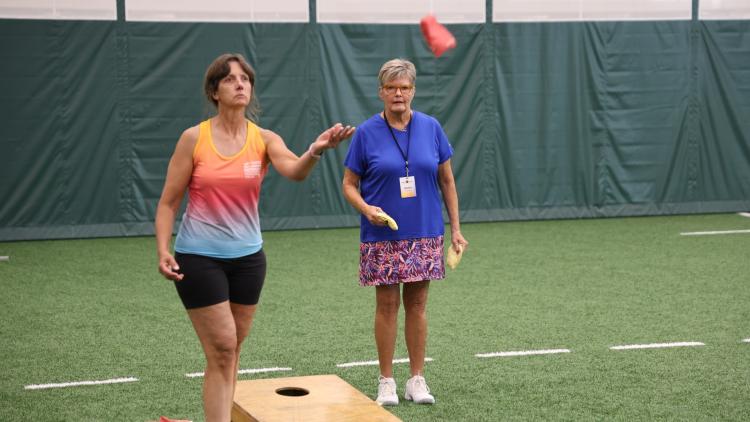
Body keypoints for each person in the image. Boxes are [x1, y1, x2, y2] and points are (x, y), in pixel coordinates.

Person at [155, 53, 354, 421]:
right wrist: (163, 249)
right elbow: (168, 203)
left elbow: (294, 170)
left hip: (249, 260)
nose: (240, 84)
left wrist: (315, 150)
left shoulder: (262, 139)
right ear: (214, 91)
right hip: (199, 258)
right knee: (223, 348)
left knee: (231, 351)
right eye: (230, 79)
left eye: (245, 79)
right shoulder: (193, 139)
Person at [342, 58, 468, 406]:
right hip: (382, 234)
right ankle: (386, 382)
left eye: (405, 87)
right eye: (392, 88)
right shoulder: (366, 133)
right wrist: (367, 209)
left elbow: (447, 180)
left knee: (418, 305)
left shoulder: (431, 127)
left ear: (413, 91)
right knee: (386, 306)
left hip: (425, 231)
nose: (399, 94)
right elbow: (349, 185)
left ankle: (416, 380)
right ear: (381, 92)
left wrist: (455, 228)